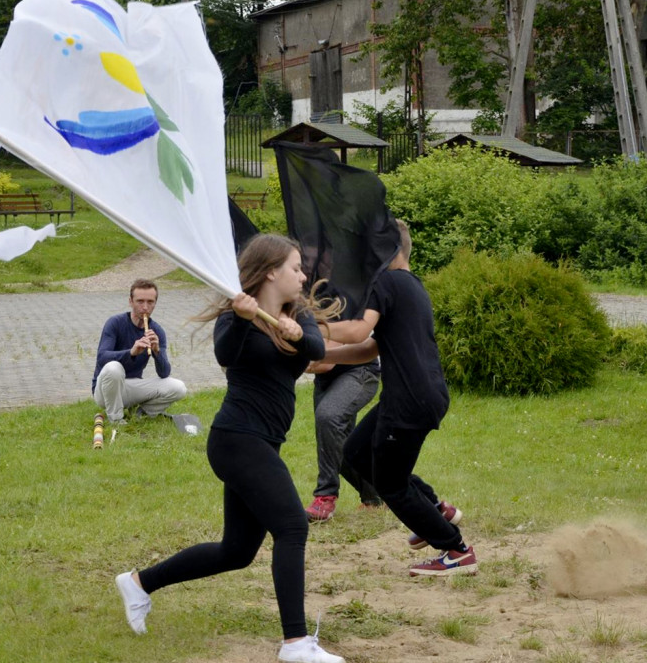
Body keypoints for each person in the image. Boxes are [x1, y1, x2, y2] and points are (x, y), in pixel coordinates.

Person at [114, 235, 347, 663]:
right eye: (296, 268)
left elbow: (316, 350)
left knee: (236, 552)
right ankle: (295, 643)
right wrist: (242, 319)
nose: (303, 275)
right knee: (293, 526)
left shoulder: (300, 315)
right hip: (237, 439)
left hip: (262, 443)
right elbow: (226, 354)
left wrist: (295, 333)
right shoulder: (235, 315)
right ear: (272, 271)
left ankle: (138, 583)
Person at [318, 219, 476, 577]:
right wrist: (326, 356)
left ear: (386, 251)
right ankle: (435, 508)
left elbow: (357, 329)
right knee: (357, 451)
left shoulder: (386, 282)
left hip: (409, 399)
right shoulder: (410, 286)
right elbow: (372, 346)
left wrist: (314, 324)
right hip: (419, 395)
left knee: (390, 483)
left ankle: (455, 549)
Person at [92, 279, 187, 424]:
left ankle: (142, 412)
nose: (145, 307)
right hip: (105, 390)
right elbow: (102, 357)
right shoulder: (115, 323)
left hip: (131, 387)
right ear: (130, 301)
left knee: (178, 387)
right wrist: (131, 352)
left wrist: (157, 351)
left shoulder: (157, 330)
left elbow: (164, 373)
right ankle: (116, 419)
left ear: (155, 303)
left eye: (150, 302)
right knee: (113, 368)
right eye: (140, 301)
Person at [304, 355, 383, 522]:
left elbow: (326, 362)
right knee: (336, 442)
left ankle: (326, 496)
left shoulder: (330, 326)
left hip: (359, 372)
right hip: (325, 380)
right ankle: (376, 496)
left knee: (328, 417)